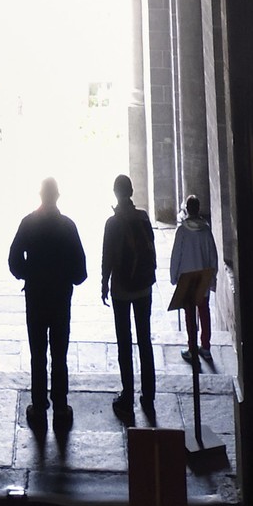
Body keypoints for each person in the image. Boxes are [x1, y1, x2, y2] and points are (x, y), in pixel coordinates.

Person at [8, 176, 87, 433]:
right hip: (60, 298)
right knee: (60, 354)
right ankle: (61, 407)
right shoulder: (68, 226)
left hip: (36, 296)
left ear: (40, 195)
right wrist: (68, 278)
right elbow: (80, 271)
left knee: (38, 353)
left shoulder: (28, 223)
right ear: (58, 196)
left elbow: (13, 260)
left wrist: (27, 274)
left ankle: (39, 406)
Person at [100, 173, 157, 420]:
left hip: (122, 288)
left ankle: (128, 396)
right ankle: (149, 395)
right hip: (144, 287)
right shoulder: (143, 217)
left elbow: (107, 258)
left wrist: (104, 284)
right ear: (132, 191)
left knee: (125, 341)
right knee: (145, 339)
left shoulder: (112, 223)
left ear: (115, 193)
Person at [169, 192, 219, 364]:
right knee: (204, 311)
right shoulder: (206, 231)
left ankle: (192, 348)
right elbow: (213, 255)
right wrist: (213, 277)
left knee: (190, 313)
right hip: (203, 277)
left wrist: (174, 276)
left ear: (187, 210)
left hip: (187, 277)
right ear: (198, 210)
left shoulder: (182, 231)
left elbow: (176, 255)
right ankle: (205, 346)